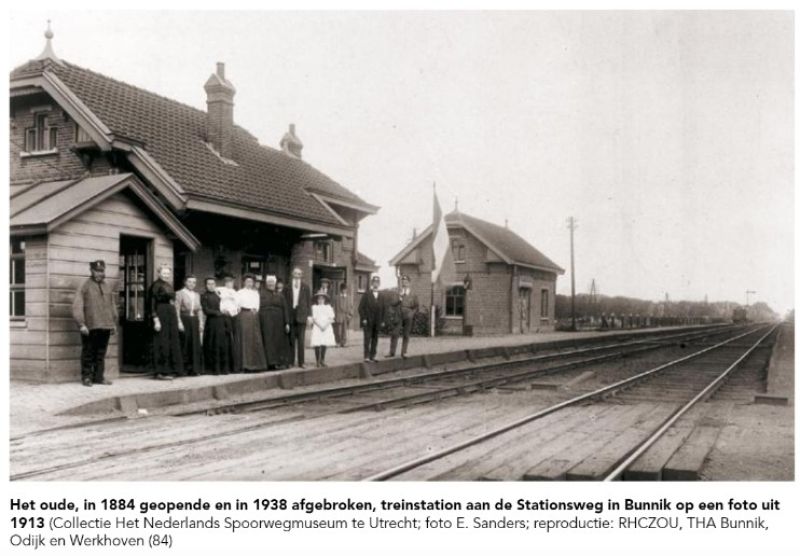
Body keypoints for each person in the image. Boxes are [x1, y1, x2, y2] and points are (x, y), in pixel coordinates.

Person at [71, 260, 117, 386]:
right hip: (90, 326)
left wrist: (112, 322)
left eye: (102, 271)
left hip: (105, 325)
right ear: (91, 271)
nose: (99, 273)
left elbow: (112, 305)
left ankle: (99, 377)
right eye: (97, 271)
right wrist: (81, 324)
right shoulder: (84, 286)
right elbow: (77, 305)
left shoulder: (107, 286)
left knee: (101, 353)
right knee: (88, 352)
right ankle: (86, 377)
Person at [149, 264, 183, 380]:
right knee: (162, 342)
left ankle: (171, 370)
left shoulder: (169, 285)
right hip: (161, 313)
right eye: (164, 273)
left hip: (171, 314)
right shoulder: (155, 285)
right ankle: (160, 372)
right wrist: (155, 319)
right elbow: (151, 303)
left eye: (168, 273)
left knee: (171, 341)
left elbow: (173, 301)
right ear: (159, 273)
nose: (166, 275)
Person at [201, 277, 235, 374]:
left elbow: (227, 304)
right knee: (213, 344)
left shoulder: (219, 295)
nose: (211, 286)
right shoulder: (204, 296)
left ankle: (224, 369)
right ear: (206, 285)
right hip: (212, 323)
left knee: (223, 344)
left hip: (223, 322)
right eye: (209, 284)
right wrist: (219, 312)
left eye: (213, 284)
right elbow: (206, 310)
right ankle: (213, 369)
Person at [259, 275, 292, 369]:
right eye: (269, 282)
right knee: (268, 341)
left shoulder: (280, 295)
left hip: (279, 322)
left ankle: (279, 362)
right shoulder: (262, 294)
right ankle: (270, 363)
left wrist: (287, 323)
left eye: (272, 282)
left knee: (278, 341)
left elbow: (285, 309)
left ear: (275, 283)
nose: (271, 284)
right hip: (266, 322)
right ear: (266, 284)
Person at [236, 274, 267, 371]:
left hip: (253, 316)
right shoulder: (240, 292)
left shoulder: (255, 293)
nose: (249, 283)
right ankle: (245, 365)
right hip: (244, 315)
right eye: (247, 281)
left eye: (251, 282)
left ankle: (256, 365)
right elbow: (237, 305)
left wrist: (255, 310)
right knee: (244, 339)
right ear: (244, 282)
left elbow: (257, 305)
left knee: (255, 339)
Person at [175, 275, 203, 376]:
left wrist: (201, 322)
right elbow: (176, 308)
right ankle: (183, 370)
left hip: (194, 320)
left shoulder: (197, 295)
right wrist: (179, 322)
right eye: (190, 282)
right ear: (185, 282)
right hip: (184, 319)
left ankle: (194, 369)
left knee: (194, 344)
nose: (192, 284)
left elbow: (199, 309)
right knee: (185, 344)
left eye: (194, 282)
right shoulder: (179, 293)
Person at [284, 267, 311, 368]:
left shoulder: (306, 287)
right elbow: (285, 304)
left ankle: (301, 362)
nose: (297, 276)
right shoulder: (287, 287)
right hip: (291, 315)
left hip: (302, 316)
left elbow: (309, 302)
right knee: (291, 340)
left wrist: (309, 316)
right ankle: (290, 362)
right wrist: (286, 319)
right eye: (295, 273)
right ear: (292, 274)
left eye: (299, 274)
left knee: (301, 341)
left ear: (301, 275)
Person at [217, 275, 242, 372]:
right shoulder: (220, 290)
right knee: (226, 338)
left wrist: (236, 310)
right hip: (224, 315)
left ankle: (234, 365)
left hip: (234, 316)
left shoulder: (235, 292)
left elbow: (238, 305)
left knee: (234, 338)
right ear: (224, 283)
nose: (229, 284)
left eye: (231, 282)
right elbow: (219, 301)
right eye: (227, 282)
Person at [358, 275, 384, 362]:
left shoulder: (381, 295)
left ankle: (373, 355)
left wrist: (383, 321)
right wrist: (364, 318)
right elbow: (360, 308)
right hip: (368, 321)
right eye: (374, 282)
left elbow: (384, 308)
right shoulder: (366, 294)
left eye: (377, 282)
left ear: (379, 284)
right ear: (372, 283)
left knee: (375, 338)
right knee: (367, 338)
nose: (375, 284)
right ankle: (366, 356)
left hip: (377, 321)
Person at [393, 275, 419, 358]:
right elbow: (393, 303)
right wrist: (399, 298)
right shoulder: (398, 292)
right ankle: (392, 352)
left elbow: (416, 306)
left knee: (406, 334)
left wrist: (412, 313)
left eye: (406, 281)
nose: (404, 282)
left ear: (409, 282)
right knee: (395, 333)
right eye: (403, 281)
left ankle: (404, 352)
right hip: (399, 314)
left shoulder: (413, 294)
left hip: (408, 315)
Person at [310, 290, 336, 367]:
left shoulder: (328, 307)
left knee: (324, 343)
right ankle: (317, 360)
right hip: (318, 327)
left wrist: (325, 325)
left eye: (322, 299)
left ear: (324, 300)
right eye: (319, 299)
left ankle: (322, 360)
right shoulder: (314, 307)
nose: (320, 300)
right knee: (317, 343)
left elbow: (331, 318)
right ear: (317, 300)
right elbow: (314, 319)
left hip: (326, 327)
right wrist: (320, 326)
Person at [333, 282, 353, 347]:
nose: (344, 290)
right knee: (338, 330)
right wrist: (334, 316)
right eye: (343, 289)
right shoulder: (336, 297)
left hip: (346, 315)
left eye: (345, 289)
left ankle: (343, 342)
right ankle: (338, 342)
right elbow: (334, 307)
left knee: (344, 330)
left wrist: (350, 315)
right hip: (338, 315)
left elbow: (351, 307)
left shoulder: (349, 298)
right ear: (340, 290)